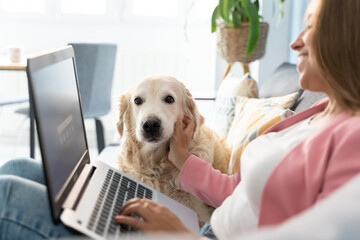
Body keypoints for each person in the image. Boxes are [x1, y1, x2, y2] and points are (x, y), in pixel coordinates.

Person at [1, 0, 360, 239]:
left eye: (311, 26)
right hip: (196, 225)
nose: (295, 42)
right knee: (18, 163)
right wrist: (183, 160)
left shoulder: (352, 138)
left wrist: (182, 235)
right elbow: (238, 192)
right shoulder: (316, 112)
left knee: (7, 195)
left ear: (345, 40)